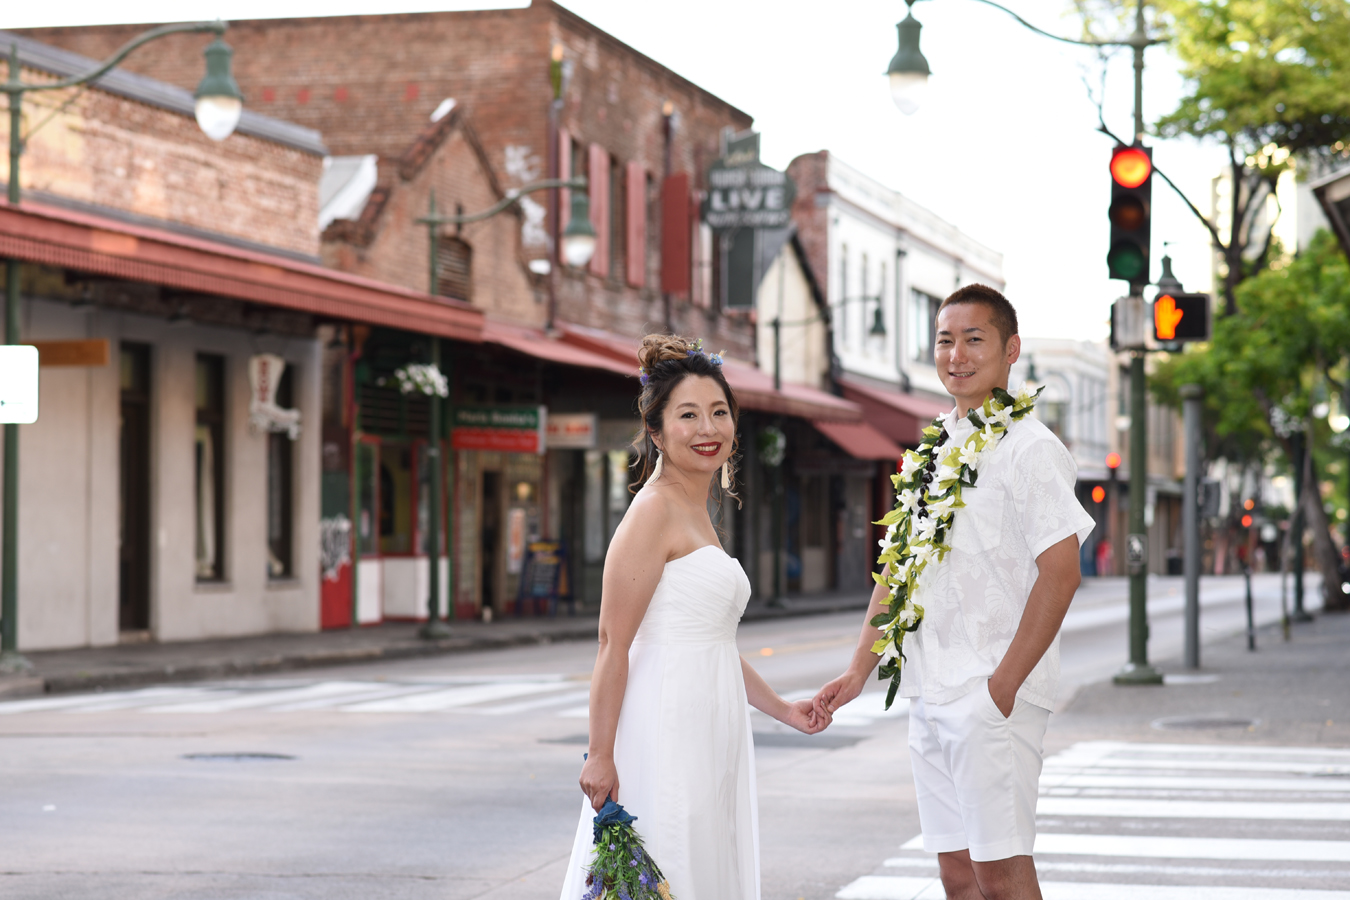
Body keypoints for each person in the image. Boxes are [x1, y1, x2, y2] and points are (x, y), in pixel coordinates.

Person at [814, 285, 1093, 900]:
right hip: (928, 690)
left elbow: (1061, 571)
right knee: (956, 874)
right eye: (946, 339)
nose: (956, 354)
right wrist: (859, 671)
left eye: (974, 339)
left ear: (1010, 349)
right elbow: (898, 570)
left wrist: (1001, 690)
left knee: (1001, 873)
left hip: (990, 695)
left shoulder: (1032, 450)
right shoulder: (934, 450)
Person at [559, 334, 829, 900]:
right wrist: (601, 754)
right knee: (670, 860)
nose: (708, 428)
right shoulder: (653, 510)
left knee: (703, 864)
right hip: (665, 726)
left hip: (713, 722)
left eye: (719, 412)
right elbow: (614, 643)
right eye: (689, 415)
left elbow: (710, 643)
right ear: (656, 432)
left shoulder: (697, 508)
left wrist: (783, 709)